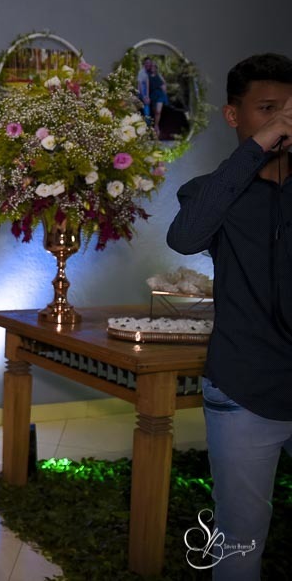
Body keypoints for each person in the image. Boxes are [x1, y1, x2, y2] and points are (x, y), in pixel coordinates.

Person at [167, 53, 292, 581]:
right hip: (243, 388)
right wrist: (261, 145)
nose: (283, 120)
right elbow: (185, 237)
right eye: (268, 109)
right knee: (240, 538)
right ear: (233, 115)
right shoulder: (211, 191)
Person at [149, 62, 170, 136]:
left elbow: (164, 84)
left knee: (158, 111)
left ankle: (156, 126)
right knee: (154, 111)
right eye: (152, 67)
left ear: (156, 68)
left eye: (154, 67)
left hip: (160, 95)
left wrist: (165, 93)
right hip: (153, 95)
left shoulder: (159, 75)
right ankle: (154, 124)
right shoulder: (148, 76)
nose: (153, 68)